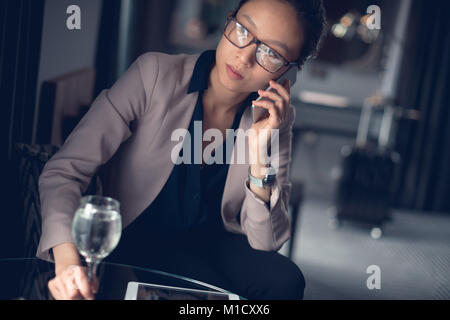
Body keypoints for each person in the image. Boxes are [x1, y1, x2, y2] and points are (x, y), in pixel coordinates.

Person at [40, 0, 326, 300]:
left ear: (290, 72)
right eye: (243, 30)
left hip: (214, 243)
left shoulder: (274, 118)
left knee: (286, 280)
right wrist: (68, 263)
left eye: (272, 53)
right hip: (137, 238)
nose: (245, 57)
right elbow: (64, 171)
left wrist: (258, 154)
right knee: (214, 296)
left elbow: (266, 241)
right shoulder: (153, 75)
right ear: (229, 21)